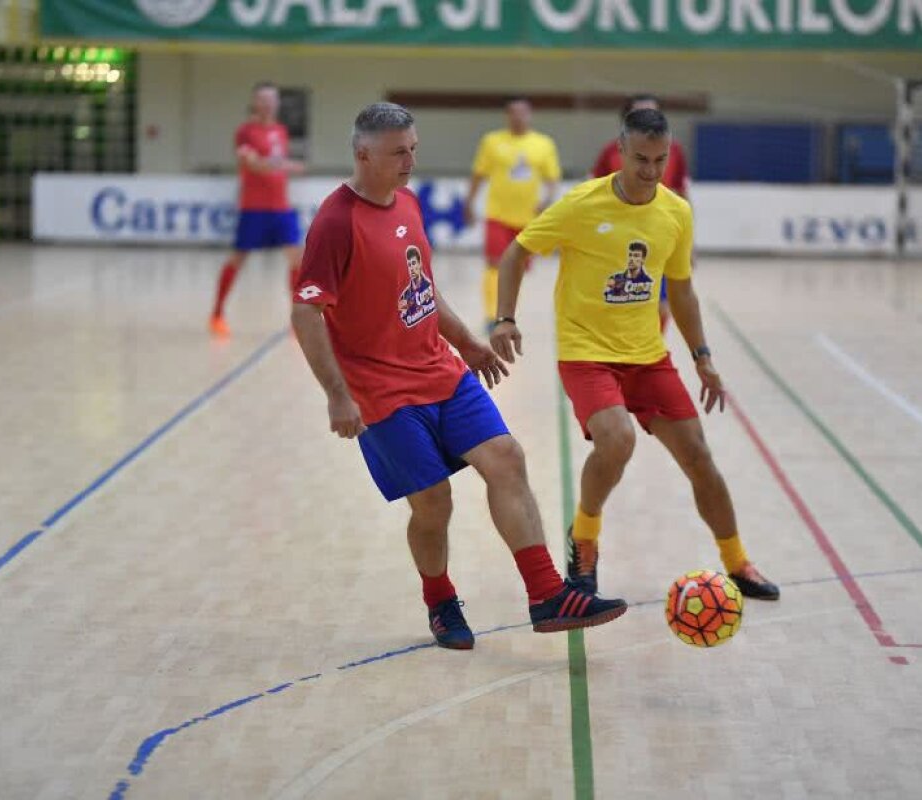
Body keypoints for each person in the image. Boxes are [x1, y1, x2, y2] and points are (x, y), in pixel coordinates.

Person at [290, 102, 627, 650]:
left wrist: (465, 340)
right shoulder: (335, 222)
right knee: (434, 504)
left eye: (413, 149)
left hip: (441, 372)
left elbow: (420, 285)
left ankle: (547, 595)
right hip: (381, 393)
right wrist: (336, 395)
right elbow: (305, 311)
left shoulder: (407, 202)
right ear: (363, 154)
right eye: (399, 152)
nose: (410, 161)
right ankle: (440, 599)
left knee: (507, 459)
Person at [490, 108, 780, 602]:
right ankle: (584, 539)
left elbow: (682, 291)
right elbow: (517, 252)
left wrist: (702, 357)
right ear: (620, 151)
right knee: (618, 439)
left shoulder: (676, 212)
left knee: (699, 457)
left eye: (659, 160)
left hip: (648, 356)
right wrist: (506, 319)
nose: (649, 170)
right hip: (587, 353)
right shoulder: (582, 204)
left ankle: (737, 561)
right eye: (641, 159)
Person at [210, 81, 306, 339]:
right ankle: (217, 314)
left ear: (277, 103)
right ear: (255, 102)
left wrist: (282, 165)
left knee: (297, 258)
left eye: (271, 99)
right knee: (238, 259)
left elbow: (274, 164)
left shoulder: (281, 131)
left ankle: (298, 319)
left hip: (281, 207)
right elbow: (253, 165)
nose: (267, 104)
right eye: (262, 99)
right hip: (254, 208)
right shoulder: (245, 132)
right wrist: (282, 165)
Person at [592, 94, 690, 333]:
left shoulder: (674, 151)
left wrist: (689, 245)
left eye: (654, 114)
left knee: (662, 305)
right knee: (618, 299)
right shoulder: (611, 151)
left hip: (660, 235)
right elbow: (594, 195)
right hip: (617, 239)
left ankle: (650, 353)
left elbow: (681, 194)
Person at [464, 97, 561, 330]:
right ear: (507, 116)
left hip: (528, 219)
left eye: (523, 113)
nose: (518, 117)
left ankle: (507, 313)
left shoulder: (543, 144)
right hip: (497, 215)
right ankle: (491, 315)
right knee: (493, 264)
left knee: (517, 268)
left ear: (530, 115)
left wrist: (547, 201)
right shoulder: (492, 141)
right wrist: (469, 202)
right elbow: (479, 174)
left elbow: (552, 179)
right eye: (513, 113)